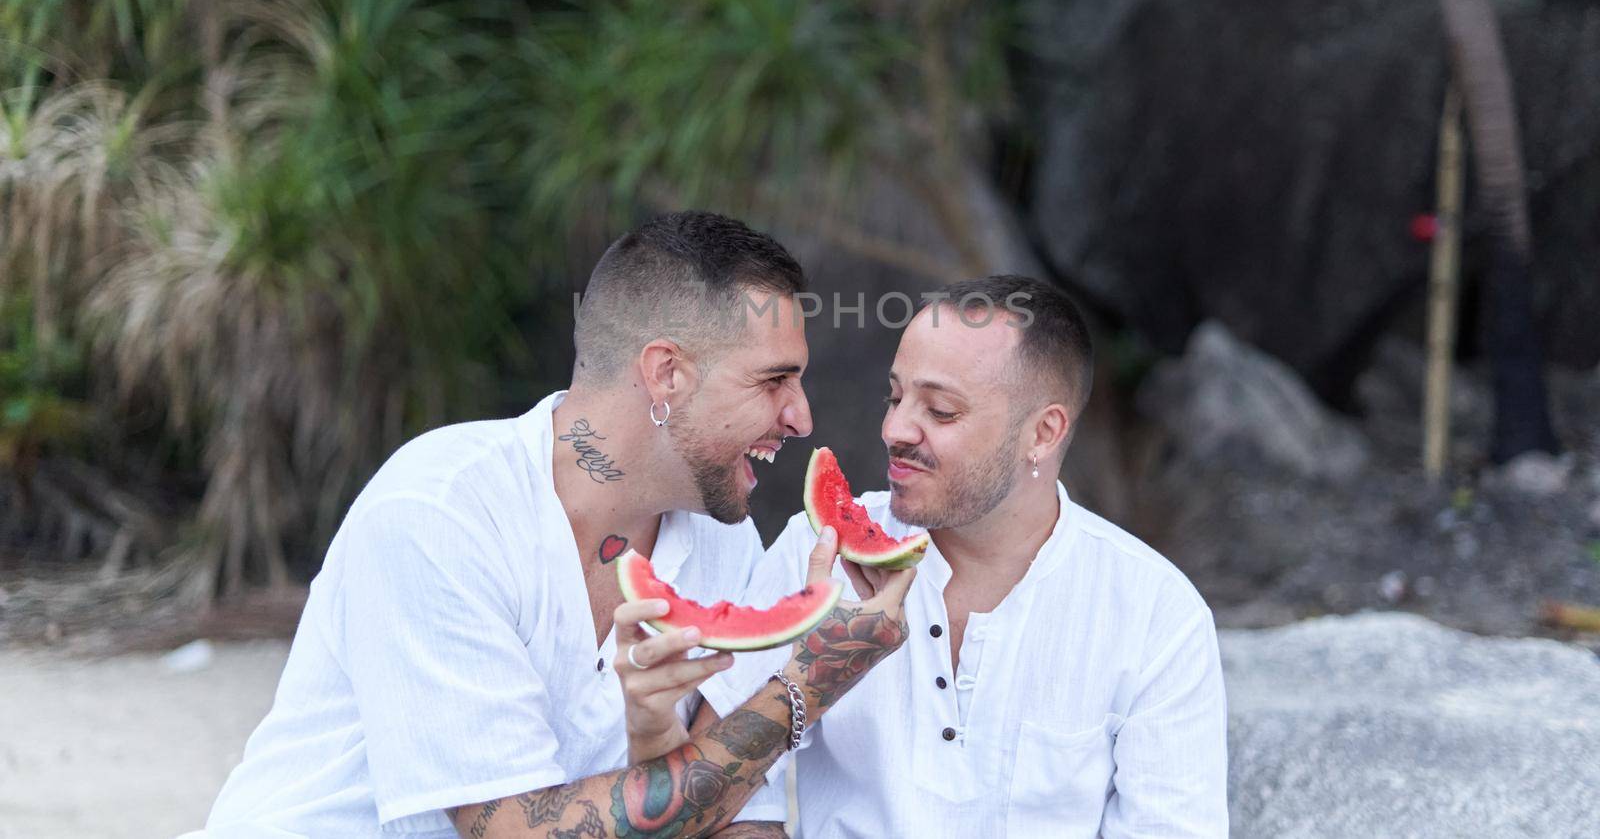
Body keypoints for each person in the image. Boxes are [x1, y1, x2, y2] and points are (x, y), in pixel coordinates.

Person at [202, 211, 914, 839]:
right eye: (772, 380)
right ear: (667, 373)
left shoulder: (721, 538)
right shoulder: (441, 514)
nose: (802, 417)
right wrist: (806, 683)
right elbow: (515, 830)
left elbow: (725, 811)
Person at [628, 275, 1228, 837]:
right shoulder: (817, 552)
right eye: (895, 397)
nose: (895, 429)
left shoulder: (1158, 617)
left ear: (1042, 434)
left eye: (940, 410)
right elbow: (721, 801)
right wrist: (812, 680)